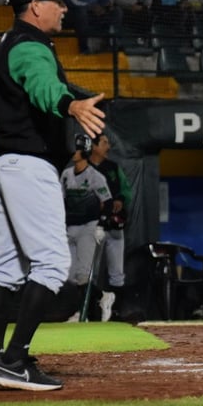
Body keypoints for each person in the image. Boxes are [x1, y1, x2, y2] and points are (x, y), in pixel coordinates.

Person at [0, 0, 106, 392]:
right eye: (57, 0)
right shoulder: (31, 47)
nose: (64, 7)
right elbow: (44, 86)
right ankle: (13, 360)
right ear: (35, 6)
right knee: (52, 263)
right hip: (30, 166)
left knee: (7, 267)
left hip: (4, 167)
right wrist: (71, 104)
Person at [61, 134, 113, 323]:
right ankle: (101, 296)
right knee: (70, 275)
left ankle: (82, 312)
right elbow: (61, 200)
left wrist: (101, 224)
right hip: (70, 227)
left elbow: (107, 202)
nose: (73, 153)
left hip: (88, 227)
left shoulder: (94, 176)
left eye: (77, 149)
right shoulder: (66, 174)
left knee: (83, 272)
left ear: (85, 151)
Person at [89, 132, 133, 322]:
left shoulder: (113, 167)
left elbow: (126, 190)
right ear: (93, 146)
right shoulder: (85, 168)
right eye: (104, 143)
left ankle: (117, 312)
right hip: (92, 226)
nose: (108, 147)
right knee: (90, 272)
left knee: (117, 272)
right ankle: (91, 312)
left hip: (114, 226)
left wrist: (121, 200)